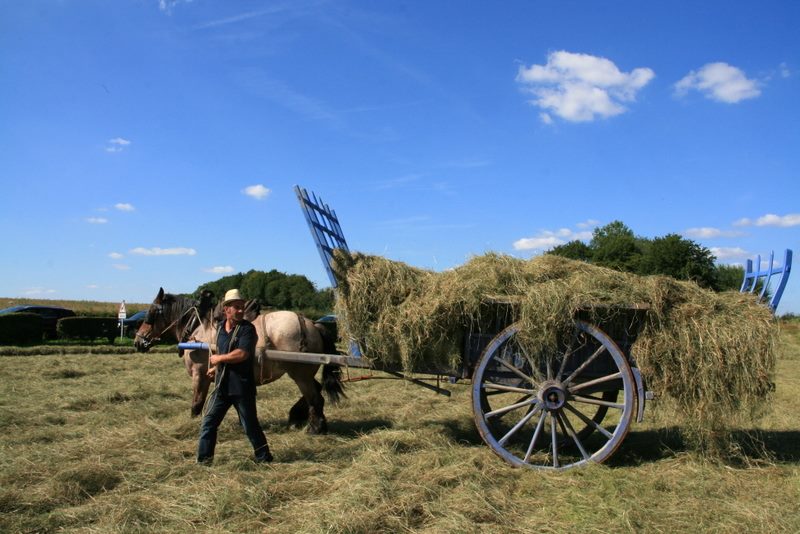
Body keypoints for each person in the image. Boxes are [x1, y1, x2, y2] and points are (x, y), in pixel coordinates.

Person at [197, 289, 272, 464]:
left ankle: (264, 458)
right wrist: (217, 368)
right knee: (208, 423)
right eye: (236, 307)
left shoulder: (248, 329)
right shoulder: (222, 328)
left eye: (241, 307)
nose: (240, 310)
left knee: (250, 427)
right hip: (221, 386)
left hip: (241, 388)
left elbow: (242, 354)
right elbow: (225, 350)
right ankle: (204, 461)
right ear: (226, 309)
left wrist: (218, 359)